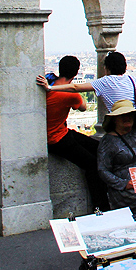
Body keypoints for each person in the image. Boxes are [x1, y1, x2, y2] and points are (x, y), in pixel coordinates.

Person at [42, 55, 109, 211]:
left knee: (98, 147)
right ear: (76, 73)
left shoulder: (50, 84)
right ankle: (100, 205)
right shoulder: (69, 94)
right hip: (56, 140)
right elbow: (83, 107)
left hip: (59, 132)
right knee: (92, 163)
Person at [37, 51, 136, 129]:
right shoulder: (132, 79)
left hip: (125, 128)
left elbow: (75, 87)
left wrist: (50, 87)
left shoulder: (104, 82)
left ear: (107, 69)